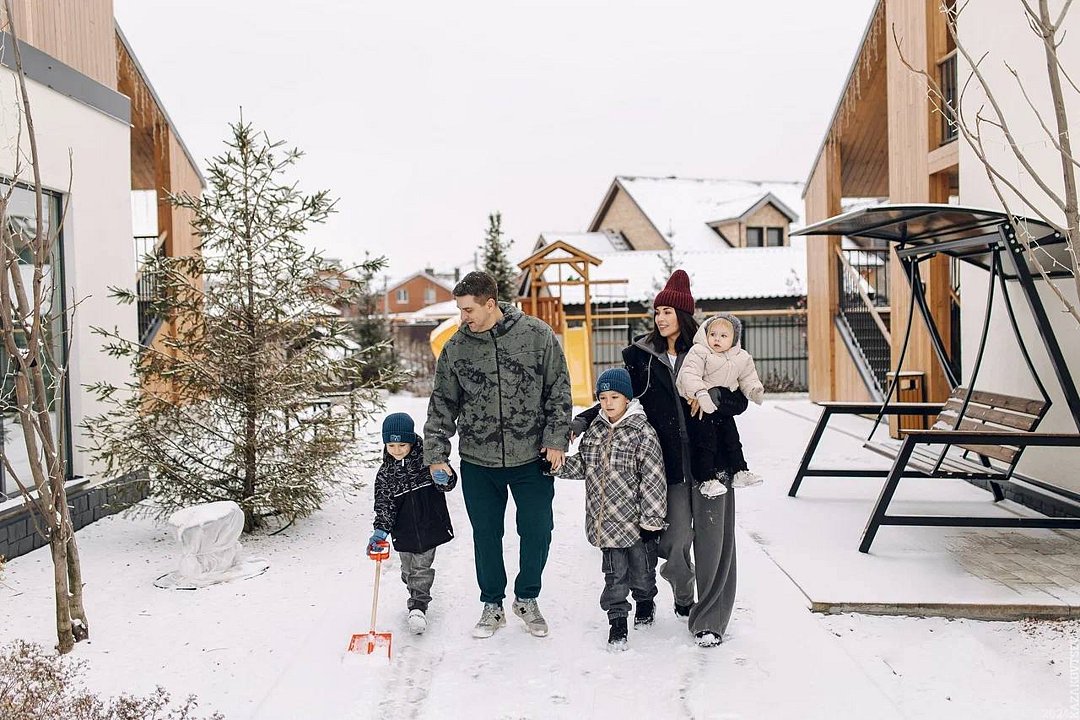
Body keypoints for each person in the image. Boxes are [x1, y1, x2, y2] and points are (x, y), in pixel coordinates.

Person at [571, 270, 747, 648]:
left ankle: (709, 621)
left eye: (668, 311)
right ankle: (683, 593)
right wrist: (583, 421)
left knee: (716, 546)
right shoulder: (640, 357)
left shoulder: (712, 352)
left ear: (684, 316)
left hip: (712, 462)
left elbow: (740, 400)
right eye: (658, 311)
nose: (661, 318)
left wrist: (715, 396)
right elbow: (616, 397)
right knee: (674, 540)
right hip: (667, 466)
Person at [424, 270, 572, 639]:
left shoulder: (537, 335)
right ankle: (492, 603)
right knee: (486, 534)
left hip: (531, 456)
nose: (463, 318)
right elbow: (442, 403)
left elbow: (558, 390)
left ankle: (526, 598)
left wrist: (556, 440)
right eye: (460, 310)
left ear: (491, 304)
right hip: (478, 460)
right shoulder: (456, 348)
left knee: (538, 530)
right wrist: (436, 453)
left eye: (469, 309)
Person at [555, 368, 667, 650]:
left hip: (636, 523)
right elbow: (584, 464)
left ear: (627, 398)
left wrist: (652, 519)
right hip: (605, 522)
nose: (607, 403)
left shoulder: (642, 432)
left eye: (614, 396)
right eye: (602, 397)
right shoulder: (595, 429)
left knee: (642, 572)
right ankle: (617, 621)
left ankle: (645, 600)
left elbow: (653, 477)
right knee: (614, 576)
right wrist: (556, 466)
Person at [367, 412, 456, 635]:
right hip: (403, 530)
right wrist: (380, 532)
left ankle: (418, 606)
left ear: (412, 440)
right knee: (408, 571)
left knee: (421, 568)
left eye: (402, 445)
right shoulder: (386, 474)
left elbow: (448, 481)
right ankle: (415, 594)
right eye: (391, 446)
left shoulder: (428, 460)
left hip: (429, 524)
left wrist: (445, 479)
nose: (397, 451)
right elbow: (384, 505)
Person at [675, 312, 764, 496]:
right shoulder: (700, 352)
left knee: (732, 438)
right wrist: (700, 393)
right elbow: (689, 375)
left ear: (733, 340)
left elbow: (748, 376)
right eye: (713, 334)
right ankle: (707, 479)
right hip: (702, 407)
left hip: (723, 408)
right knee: (705, 442)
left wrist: (754, 390)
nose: (717, 339)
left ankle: (740, 471)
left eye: (723, 336)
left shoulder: (741, 356)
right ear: (705, 334)